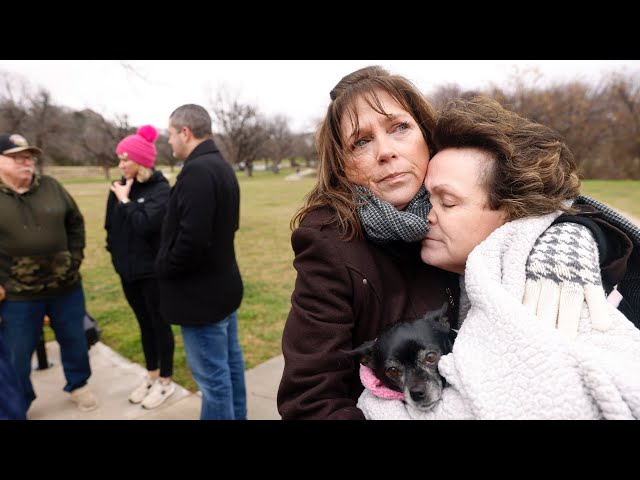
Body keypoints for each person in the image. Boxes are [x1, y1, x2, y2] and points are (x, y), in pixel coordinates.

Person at [357, 96, 640, 419]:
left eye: (447, 203)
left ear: (513, 212)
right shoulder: (450, 265)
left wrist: (575, 231)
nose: (425, 218)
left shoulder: (557, 290)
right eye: (426, 200)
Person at [277, 66, 461, 420]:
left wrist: (570, 235)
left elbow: (550, 201)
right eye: (361, 141)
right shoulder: (330, 246)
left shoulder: (464, 197)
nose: (385, 151)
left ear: (426, 134)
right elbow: (310, 401)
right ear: (343, 166)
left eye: (399, 127)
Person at [155, 104, 247, 420]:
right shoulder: (220, 165)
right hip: (221, 289)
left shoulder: (197, 171)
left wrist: (164, 267)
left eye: (169, 134)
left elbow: (192, 240)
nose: (168, 142)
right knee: (230, 368)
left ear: (185, 132)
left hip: (201, 298)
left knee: (214, 381)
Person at [0, 133, 98, 413]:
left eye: (29, 157)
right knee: (18, 353)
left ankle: (79, 384)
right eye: (17, 157)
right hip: (17, 296)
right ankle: (19, 401)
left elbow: (75, 223)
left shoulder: (52, 187)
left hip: (65, 289)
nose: (26, 162)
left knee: (74, 340)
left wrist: (74, 259)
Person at [105, 125, 175, 409]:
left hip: (152, 273)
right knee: (144, 325)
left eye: (126, 159)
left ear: (142, 160)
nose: (121, 165)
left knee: (160, 326)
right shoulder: (119, 186)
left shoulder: (160, 189)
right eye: (119, 159)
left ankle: (166, 382)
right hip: (128, 272)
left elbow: (147, 226)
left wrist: (125, 201)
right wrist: (117, 257)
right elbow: (111, 226)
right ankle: (151, 375)